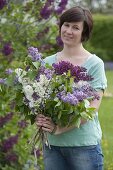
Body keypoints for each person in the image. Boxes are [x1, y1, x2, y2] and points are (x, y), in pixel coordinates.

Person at [36, 6, 107, 170]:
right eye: (66, 25)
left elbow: (93, 108)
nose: (68, 31)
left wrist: (60, 129)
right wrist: (39, 118)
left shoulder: (94, 64)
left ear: (84, 33)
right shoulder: (46, 63)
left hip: (83, 146)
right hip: (52, 145)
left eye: (76, 27)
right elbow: (39, 100)